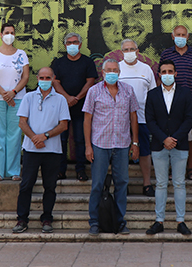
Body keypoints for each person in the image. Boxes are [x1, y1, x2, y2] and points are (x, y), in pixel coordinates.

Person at [83, 59, 140, 235]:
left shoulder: (128, 91)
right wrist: (88, 146)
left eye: (115, 70)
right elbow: (87, 119)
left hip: (122, 144)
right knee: (98, 184)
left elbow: (133, 117)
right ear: (103, 72)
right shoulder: (94, 91)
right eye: (109, 70)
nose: (112, 73)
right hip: (100, 144)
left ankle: (119, 221)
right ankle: (94, 222)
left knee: (122, 183)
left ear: (119, 72)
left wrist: (135, 142)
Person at [13, 67, 70, 234]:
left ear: (53, 78)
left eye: (48, 77)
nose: (44, 80)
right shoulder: (29, 97)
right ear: (37, 78)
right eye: (42, 77)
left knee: (50, 186)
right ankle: (22, 219)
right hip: (31, 150)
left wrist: (44, 136)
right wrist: (34, 138)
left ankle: (47, 218)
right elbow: (22, 122)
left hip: (52, 150)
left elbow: (63, 125)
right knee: (26, 186)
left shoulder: (60, 100)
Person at [145, 60, 192, 236]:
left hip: (179, 144)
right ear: (159, 74)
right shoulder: (152, 95)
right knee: (160, 184)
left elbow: (189, 119)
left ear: (176, 73)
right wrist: (163, 139)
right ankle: (159, 221)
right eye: (163, 71)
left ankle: (180, 221)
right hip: (159, 145)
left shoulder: (185, 93)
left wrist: (174, 138)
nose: (167, 74)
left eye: (170, 71)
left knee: (179, 183)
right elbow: (149, 120)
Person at [159, 24, 192, 180]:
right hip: (169, 102)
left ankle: (190, 168)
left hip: (191, 100)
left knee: (191, 136)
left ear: (188, 36)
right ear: (172, 36)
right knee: (172, 135)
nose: (180, 37)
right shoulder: (166, 53)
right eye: (177, 34)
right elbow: (161, 77)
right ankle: (174, 170)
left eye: (183, 34)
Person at [0, 24, 30, 181]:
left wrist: (13, 92)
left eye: (12, 33)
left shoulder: (22, 54)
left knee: (15, 135)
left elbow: (25, 77)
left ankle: (14, 170)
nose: (9, 35)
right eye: (6, 32)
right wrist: (4, 93)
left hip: (17, 98)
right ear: (1, 35)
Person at [51, 32, 98, 181]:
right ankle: (60, 170)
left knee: (80, 140)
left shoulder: (87, 62)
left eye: (75, 42)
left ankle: (81, 170)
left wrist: (77, 98)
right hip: (62, 108)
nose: (72, 45)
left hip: (82, 107)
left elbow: (90, 81)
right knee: (62, 140)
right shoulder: (58, 63)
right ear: (65, 45)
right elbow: (55, 82)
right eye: (69, 42)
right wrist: (67, 97)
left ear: (80, 44)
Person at [118, 39, 157, 197]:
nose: (129, 52)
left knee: (144, 152)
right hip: (120, 119)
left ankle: (147, 184)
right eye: (126, 49)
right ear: (122, 52)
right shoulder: (117, 68)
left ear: (137, 50)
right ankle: (122, 184)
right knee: (121, 152)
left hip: (142, 118)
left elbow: (153, 94)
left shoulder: (146, 69)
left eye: (131, 49)